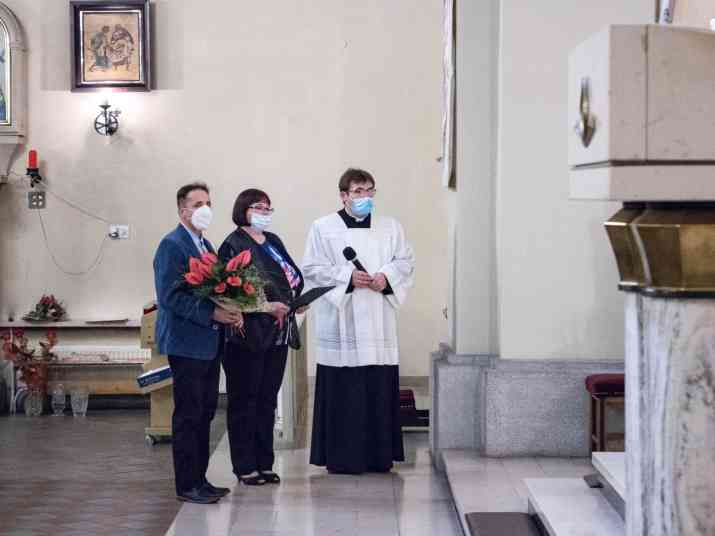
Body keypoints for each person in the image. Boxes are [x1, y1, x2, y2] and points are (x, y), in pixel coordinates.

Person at [303, 168, 416, 474]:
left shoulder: (390, 226)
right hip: (342, 320)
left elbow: (405, 261)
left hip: (378, 320)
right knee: (345, 391)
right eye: (358, 191)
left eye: (369, 191)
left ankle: (378, 457)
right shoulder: (323, 227)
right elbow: (312, 268)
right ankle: (342, 458)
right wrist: (347, 277)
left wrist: (386, 277)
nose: (365, 197)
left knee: (377, 387)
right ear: (344, 195)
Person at [153, 182, 242, 504]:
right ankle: (187, 484)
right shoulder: (172, 245)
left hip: (208, 342)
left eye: (208, 203)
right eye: (197, 204)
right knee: (189, 414)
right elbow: (171, 296)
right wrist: (212, 314)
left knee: (205, 412)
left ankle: (200, 479)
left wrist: (233, 308)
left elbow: (216, 289)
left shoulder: (205, 244)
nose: (205, 209)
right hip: (186, 342)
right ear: (183, 211)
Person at [218, 189, 305, 486]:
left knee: (268, 400)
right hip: (247, 334)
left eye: (268, 207)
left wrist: (296, 299)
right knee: (245, 401)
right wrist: (267, 306)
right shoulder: (233, 244)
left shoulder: (273, 241)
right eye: (258, 207)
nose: (265, 212)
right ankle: (245, 465)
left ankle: (264, 462)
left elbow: (290, 276)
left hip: (277, 333)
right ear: (243, 209)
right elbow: (228, 292)